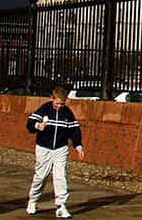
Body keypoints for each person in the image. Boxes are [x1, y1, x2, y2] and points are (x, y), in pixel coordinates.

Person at [26, 86, 85, 218]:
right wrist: (37, 126)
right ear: (52, 99)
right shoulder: (44, 109)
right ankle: (33, 200)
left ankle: (61, 205)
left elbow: (74, 130)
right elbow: (30, 123)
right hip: (44, 148)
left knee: (60, 176)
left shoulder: (68, 113)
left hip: (61, 148)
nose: (59, 106)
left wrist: (78, 146)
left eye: (62, 104)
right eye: (57, 103)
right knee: (41, 176)